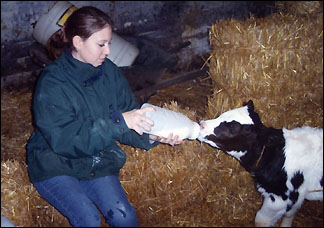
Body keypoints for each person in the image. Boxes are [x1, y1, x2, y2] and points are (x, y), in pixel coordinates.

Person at [27, 6, 183, 227]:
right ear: (78, 42)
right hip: (54, 163)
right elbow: (65, 141)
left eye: (108, 43)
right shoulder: (52, 83)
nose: (108, 51)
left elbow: (129, 113)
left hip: (95, 158)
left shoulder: (109, 72)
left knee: (124, 216)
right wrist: (120, 122)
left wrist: (153, 135)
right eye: (101, 44)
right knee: (88, 219)